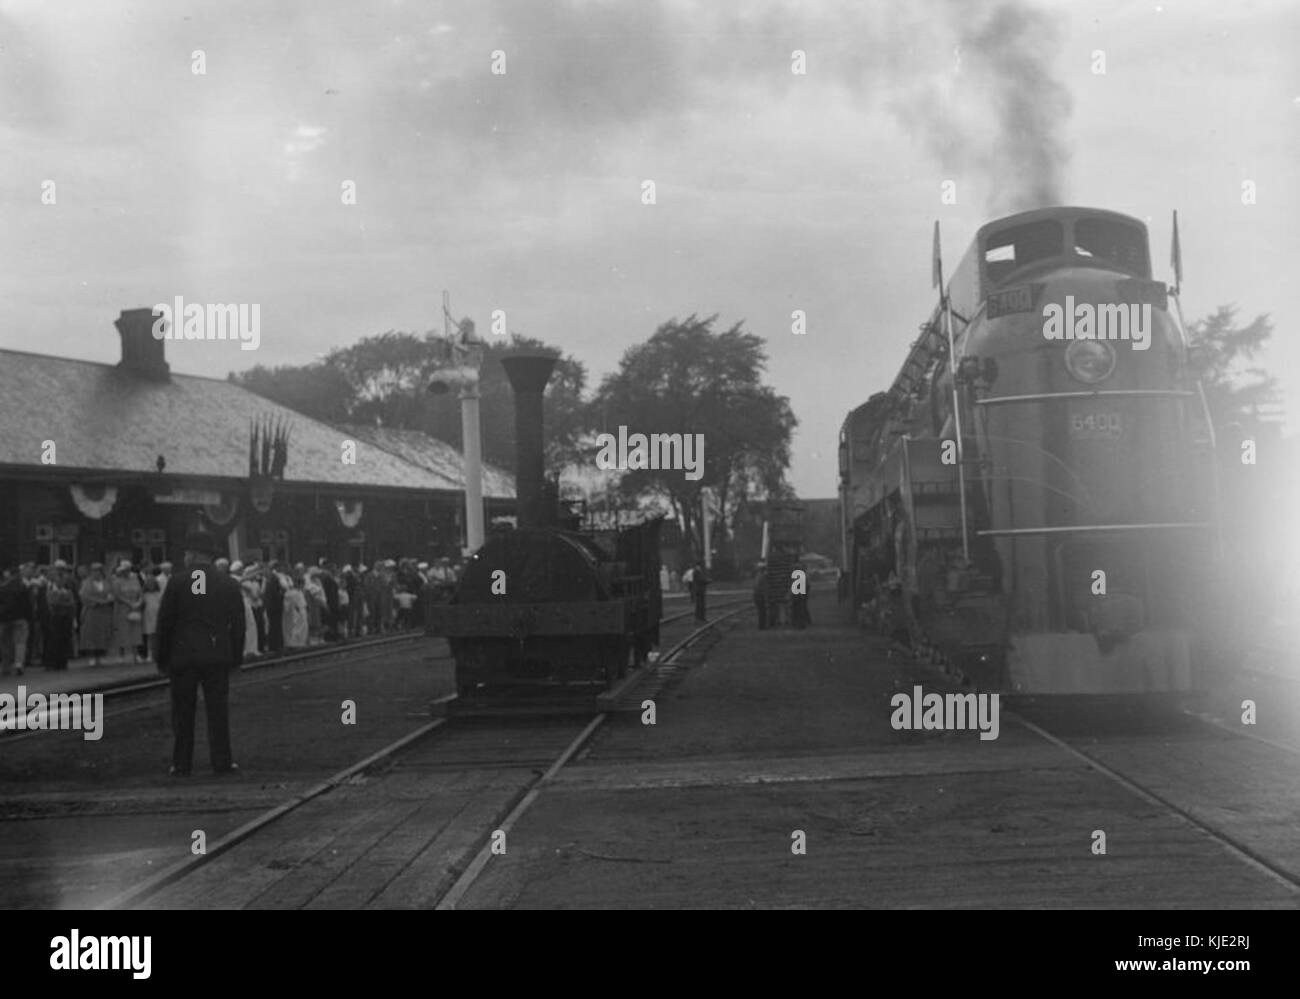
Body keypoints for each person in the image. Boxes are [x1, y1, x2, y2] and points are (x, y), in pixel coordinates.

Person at [155, 526, 246, 777]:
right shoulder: (227, 583)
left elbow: (165, 623)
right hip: (217, 656)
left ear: (194, 555)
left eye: (187, 553)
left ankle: (181, 763)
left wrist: (161, 658)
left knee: (182, 713)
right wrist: (235, 658)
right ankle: (222, 761)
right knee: (218, 711)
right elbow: (239, 625)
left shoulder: (177, 582)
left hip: (183, 657)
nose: (184, 558)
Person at [78, 563, 115, 666]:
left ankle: (101, 656)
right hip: (91, 612)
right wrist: (97, 601)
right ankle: (92, 657)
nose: (96, 573)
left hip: (104, 613)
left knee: (103, 634)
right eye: (94, 571)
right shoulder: (86, 583)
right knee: (91, 635)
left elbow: (111, 594)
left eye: (98, 571)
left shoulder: (106, 583)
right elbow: (84, 596)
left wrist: (109, 599)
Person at [110, 560, 145, 663]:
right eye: (124, 570)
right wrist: (129, 603)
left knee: (136, 631)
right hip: (122, 608)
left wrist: (139, 602)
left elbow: (141, 592)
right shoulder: (117, 581)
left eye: (127, 570)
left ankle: (136, 654)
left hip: (135, 607)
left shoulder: (135, 579)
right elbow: (117, 595)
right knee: (122, 631)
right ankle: (122, 655)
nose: (126, 572)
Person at [0, 566, 33, 676]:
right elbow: (28, 604)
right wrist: (29, 617)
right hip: (20, 618)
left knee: (5, 643)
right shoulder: (23, 587)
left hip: (4, 619)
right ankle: (18, 664)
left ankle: (6, 666)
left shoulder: (3, 587)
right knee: (20, 642)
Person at [44, 563, 76, 671]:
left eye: (63, 580)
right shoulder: (51, 590)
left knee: (65, 639)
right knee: (54, 640)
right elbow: (53, 602)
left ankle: (62, 662)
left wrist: (64, 603)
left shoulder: (68, 591)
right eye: (59, 579)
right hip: (55, 618)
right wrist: (63, 602)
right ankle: (52, 663)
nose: (61, 582)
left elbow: (72, 603)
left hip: (66, 618)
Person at [262, 562, 284, 654]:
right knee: (275, 626)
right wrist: (281, 595)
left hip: (271, 605)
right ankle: (275, 646)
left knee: (274, 625)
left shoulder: (269, 578)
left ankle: (274, 645)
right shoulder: (273, 578)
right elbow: (275, 592)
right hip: (274, 605)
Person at [141, 571, 163, 663]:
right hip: (148, 616)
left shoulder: (159, 594)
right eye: (149, 583)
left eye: (152, 583)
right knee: (150, 637)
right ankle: (149, 655)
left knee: (157, 636)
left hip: (157, 616)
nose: (151, 585)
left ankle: (158, 654)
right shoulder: (144, 595)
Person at [752, 563, 768, 630]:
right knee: (762, 612)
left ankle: (761, 625)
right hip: (759, 596)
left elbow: (755, 586)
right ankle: (762, 626)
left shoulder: (758, 576)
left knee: (761, 611)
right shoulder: (762, 576)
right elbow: (762, 587)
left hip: (757, 595)